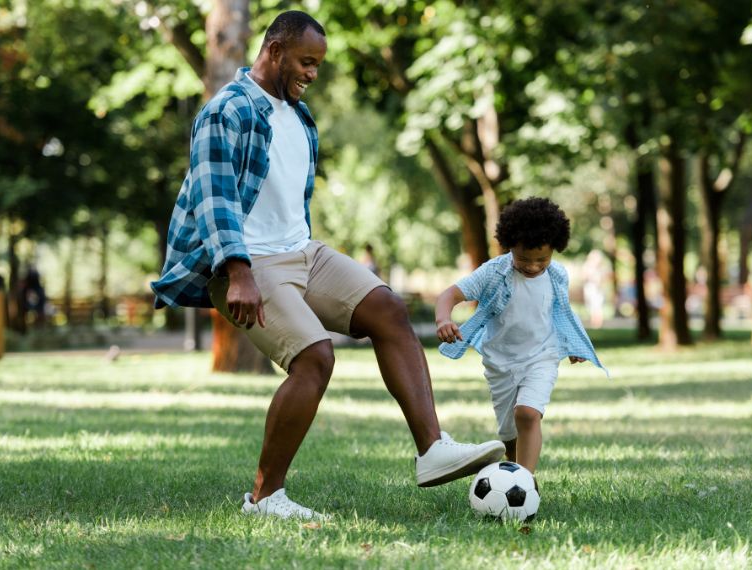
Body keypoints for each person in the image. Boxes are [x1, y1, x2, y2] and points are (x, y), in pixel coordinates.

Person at [150, 11, 504, 520]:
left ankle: (432, 450)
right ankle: (264, 498)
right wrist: (239, 272)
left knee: (388, 309)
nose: (313, 73)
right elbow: (215, 199)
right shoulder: (226, 110)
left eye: (317, 64)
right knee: (315, 358)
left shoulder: (298, 114)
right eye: (306, 61)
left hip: (301, 251)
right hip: (248, 263)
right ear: (274, 51)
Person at [434, 197, 608, 473]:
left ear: (554, 249)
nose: (534, 266)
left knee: (527, 414)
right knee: (509, 437)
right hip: (500, 362)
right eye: (524, 258)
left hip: (542, 356)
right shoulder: (493, 272)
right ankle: (513, 476)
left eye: (542, 259)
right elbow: (450, 295)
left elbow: (561, 311)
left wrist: (573, 343)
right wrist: (444, 318)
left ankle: (526, 483)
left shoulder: (557, 275)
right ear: (510, 244)